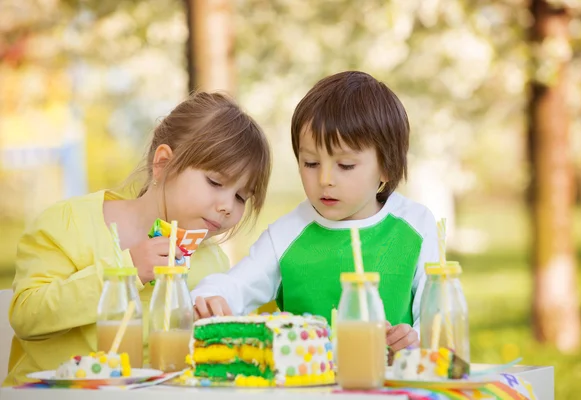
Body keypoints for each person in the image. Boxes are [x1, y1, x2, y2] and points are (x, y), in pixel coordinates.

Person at [4, 91, 271, 386]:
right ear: (163, 164)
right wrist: (125, 271)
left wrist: (215, 332)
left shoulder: (213, 265)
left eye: (240, 197)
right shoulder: (69, 224)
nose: (227, 206)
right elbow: (27, 316)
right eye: (215, 182)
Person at [191, 71, 438, 354]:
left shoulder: (416, 226)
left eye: (345, 165)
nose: (325, 179)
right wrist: (208, 298)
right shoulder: (286, 234)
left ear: (387, 166)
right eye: (310, 163)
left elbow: (437, 316)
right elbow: (236, 286)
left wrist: (415, 339)